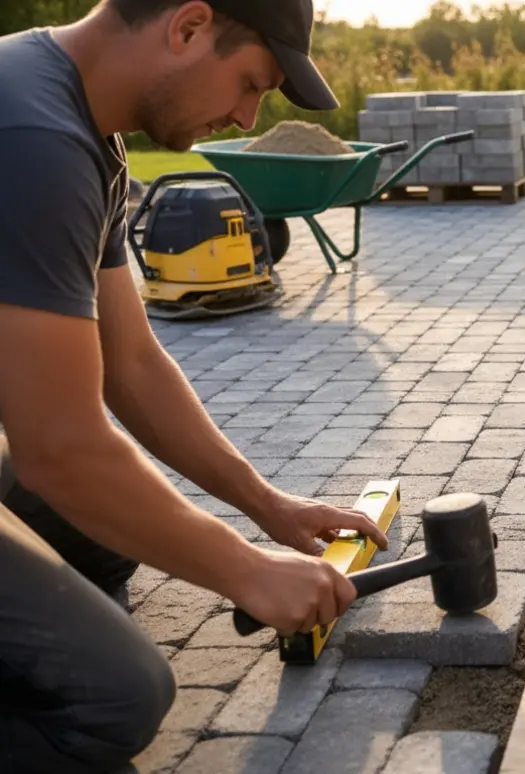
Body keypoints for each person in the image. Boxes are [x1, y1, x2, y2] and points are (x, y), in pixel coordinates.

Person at [0, 2, 388, 772]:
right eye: (250, 84)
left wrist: (267, 506)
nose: (246, 117)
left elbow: (132, 364)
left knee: (106, 542)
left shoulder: (82, 129)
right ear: (188, 26)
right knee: (115, 702)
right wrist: (245, 570)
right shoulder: (34, 139)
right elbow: (59, 450)